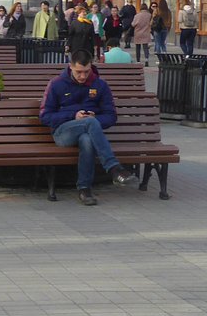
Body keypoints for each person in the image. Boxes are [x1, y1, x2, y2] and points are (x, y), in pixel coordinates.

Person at [39, 50, 136, 206]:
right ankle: (113, 168)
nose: (83, 76)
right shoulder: (56, 84)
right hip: (63, 133)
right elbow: (45, 116)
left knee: (87, 139)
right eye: (79, 72)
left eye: (86, 71)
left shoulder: (100, 85)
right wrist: (73, 116)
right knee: (89, 123)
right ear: (70, 67)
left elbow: (111, 116)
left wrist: (95, 118)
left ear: (91, 67)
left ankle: (84, 189)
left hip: (90, 132)